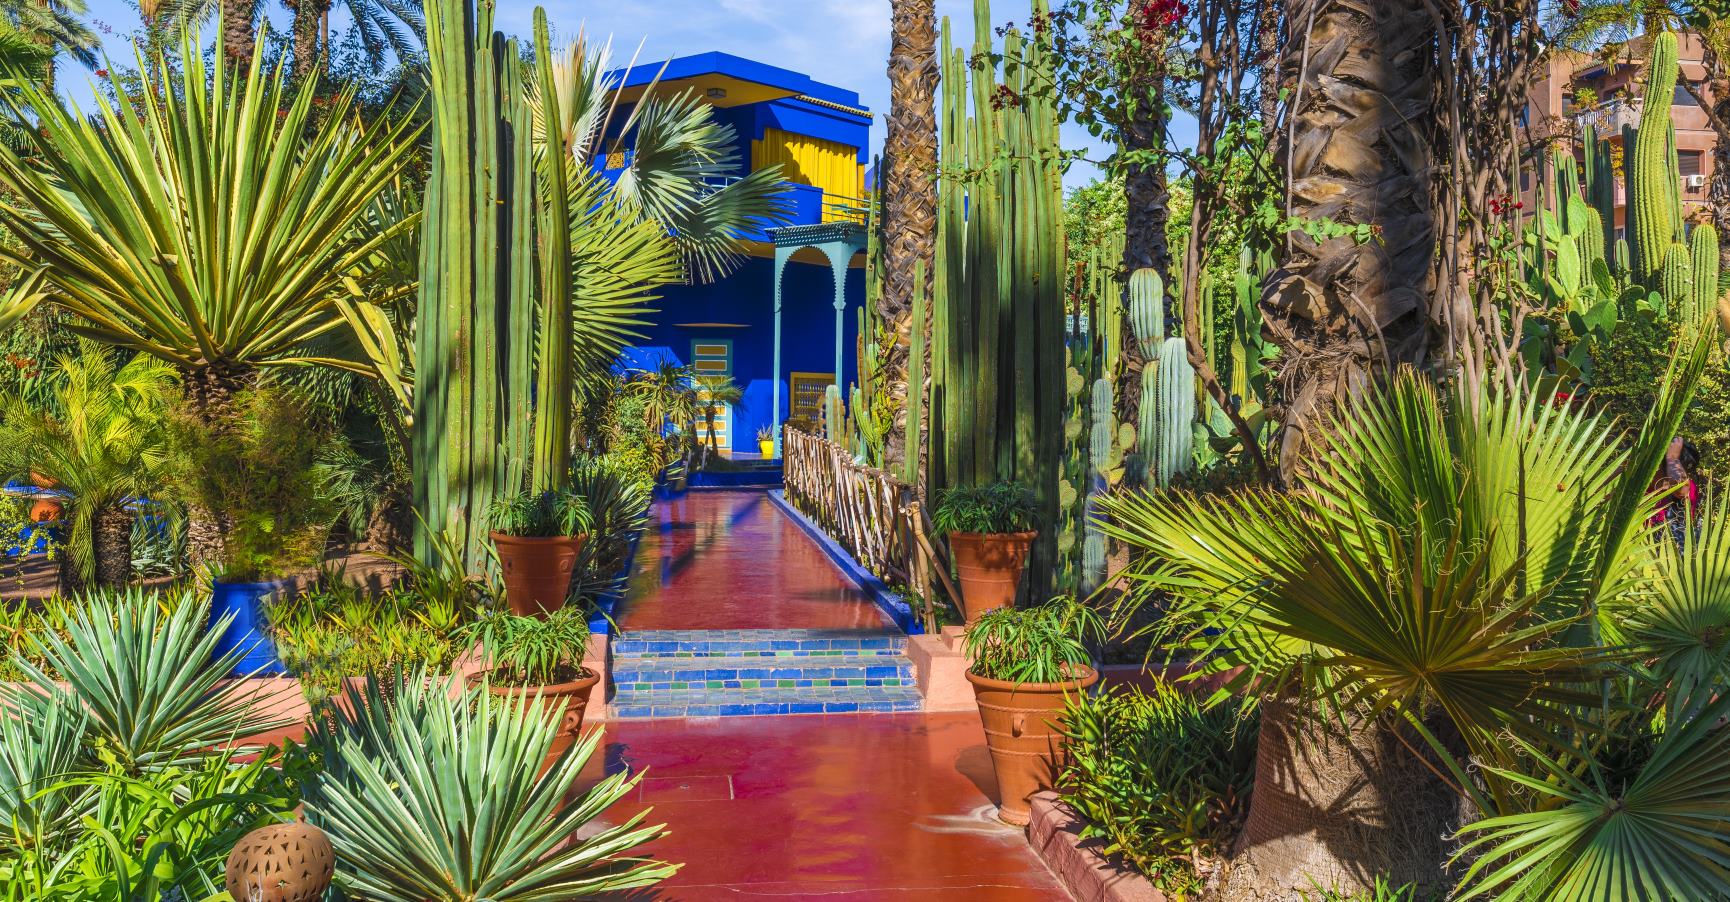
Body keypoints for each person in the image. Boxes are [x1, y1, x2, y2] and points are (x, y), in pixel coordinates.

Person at [1651, 436, 1700, 545]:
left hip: (1667, 551)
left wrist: (1672, 458)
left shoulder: (1688, 487)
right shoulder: (1639, 484)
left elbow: (1681, 487)